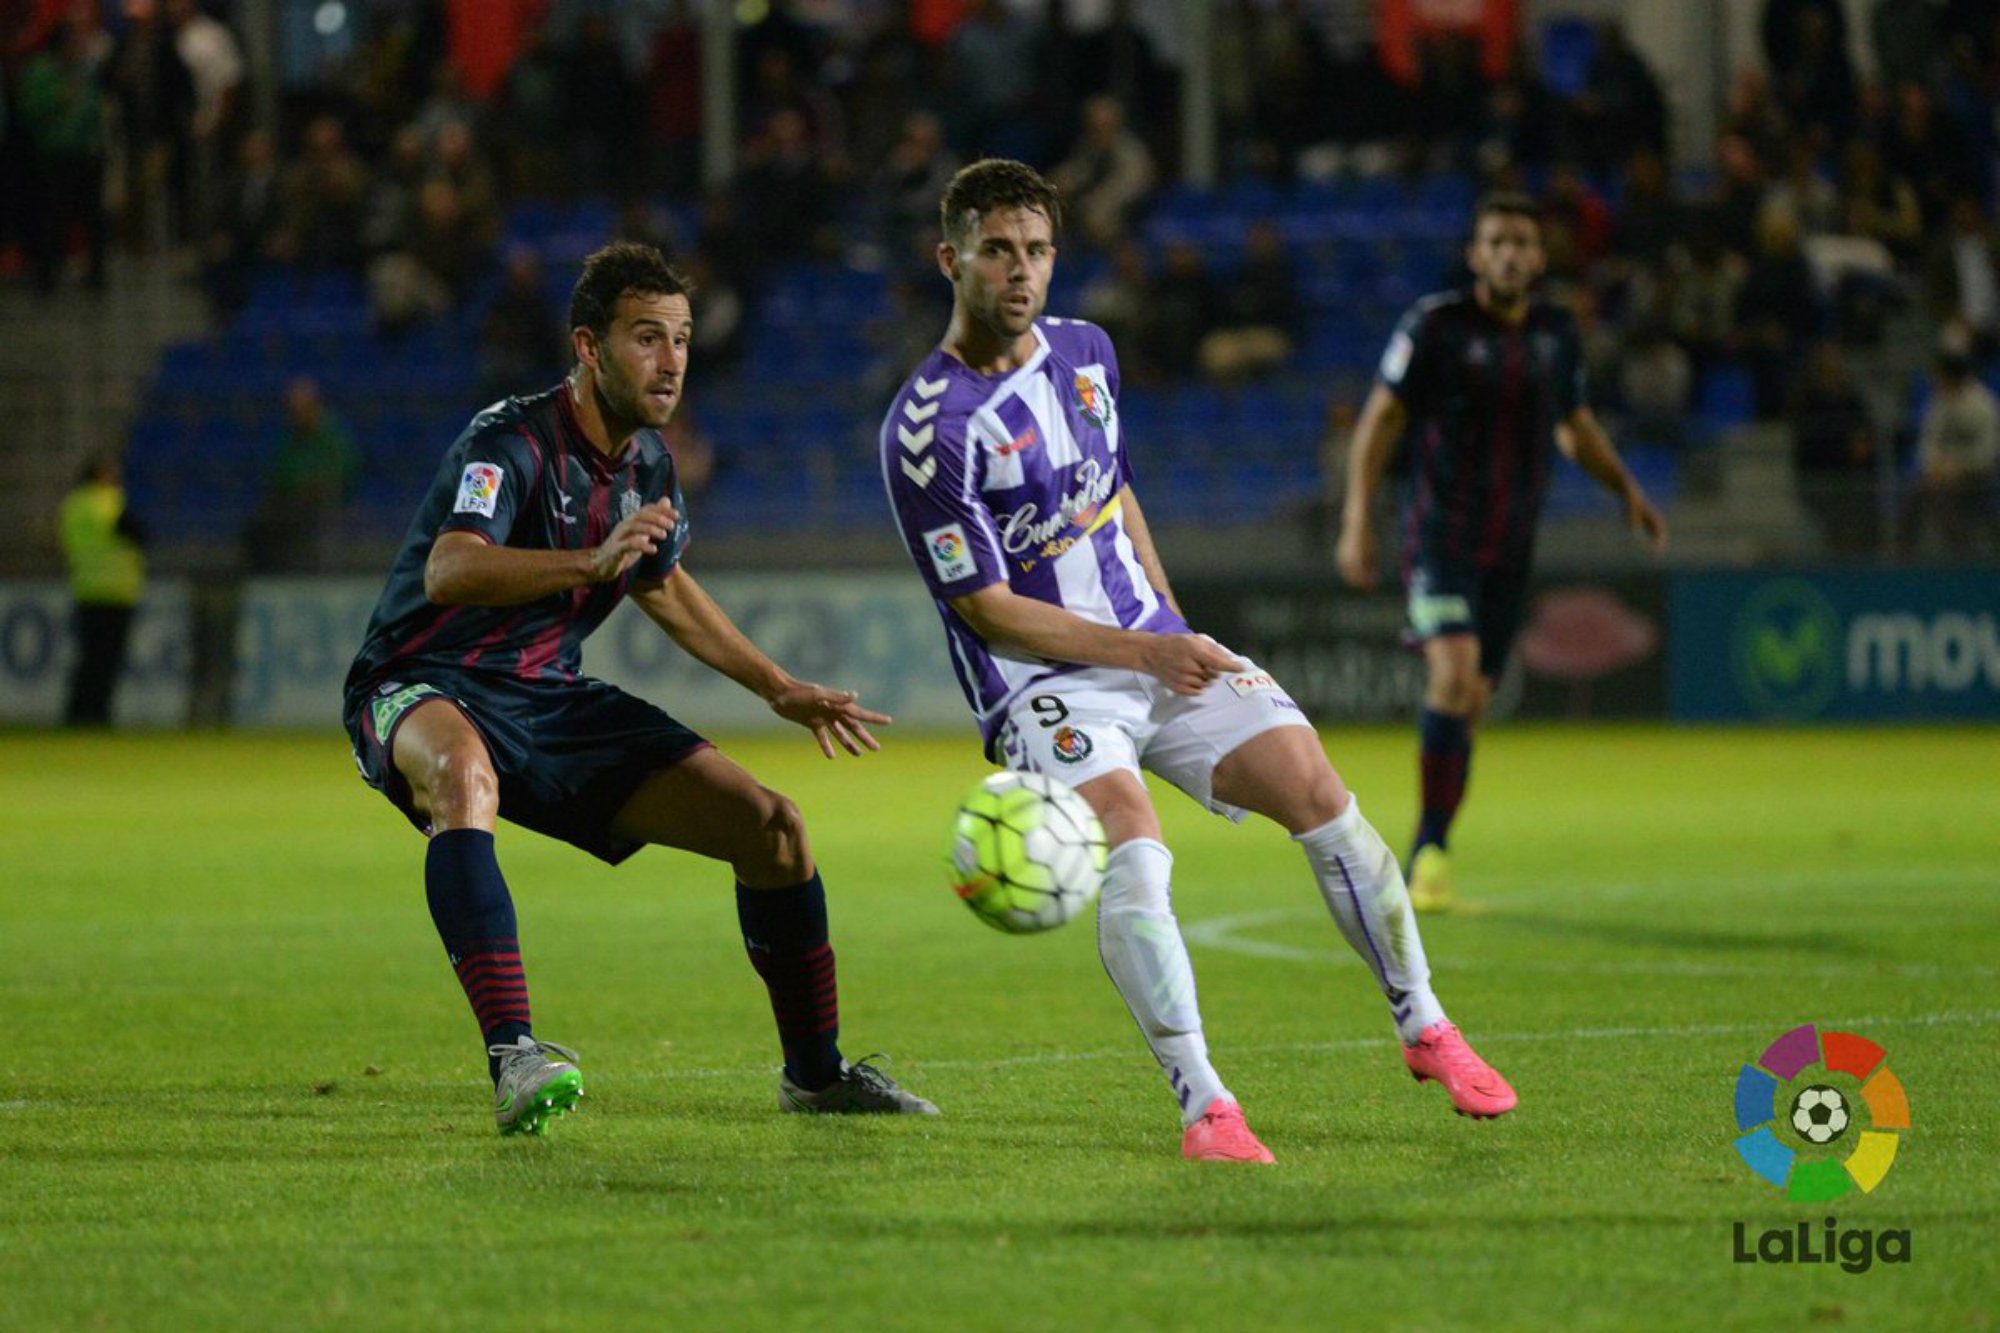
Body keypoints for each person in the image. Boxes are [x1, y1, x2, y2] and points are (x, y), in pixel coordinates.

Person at [881, 160, 1514, 1165]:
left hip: (1152, 645)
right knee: (1133, 838)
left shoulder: (1088, 354)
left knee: (1320, 792)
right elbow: (985, 609)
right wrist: (1145, 647)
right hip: (1040, 685)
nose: (1019, 270)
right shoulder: (929, 429)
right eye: (996, 250)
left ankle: (1425, 1025)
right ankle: (1204, 1103)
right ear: (947, 256)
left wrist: (1169, 622)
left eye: (1036, 249)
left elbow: (1115, 492)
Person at [343, 242, 935, 1137]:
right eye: (646, 338)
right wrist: (587, 560)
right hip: (421, 680)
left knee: (773, 828)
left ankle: (817, 1076)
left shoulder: (649, 464)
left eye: (683, 340)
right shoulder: (510, 439)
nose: (671, 361)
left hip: (546, 695)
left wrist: (778, 687)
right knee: (463, 777)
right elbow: (450, 568)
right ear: (589, 347)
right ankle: (515, 1057)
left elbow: (663, 584)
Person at [1336, 193, 1668, 913]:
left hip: (1510, 550)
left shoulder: (1555, 333)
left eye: (1523, 241)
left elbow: (1575, 427)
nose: (1511, 253)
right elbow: (1381, 419)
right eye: (1497, 241)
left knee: (1475, 702)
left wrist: (1628, 491)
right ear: (1477, 255)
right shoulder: (1437, 326)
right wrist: (1357, 517)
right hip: (1440, 538)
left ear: (1540, 257)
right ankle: (1424, 856)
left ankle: (1433, 847)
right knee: (1453, 676)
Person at [59, 455, 146, 726]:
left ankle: (76, 713)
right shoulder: (106, 502)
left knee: (88, 657)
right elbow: (135, 532)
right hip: (115, 592)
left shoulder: (72, 506)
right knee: (107, 660)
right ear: (101, 476)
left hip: (86, 589)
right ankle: (98, 714)